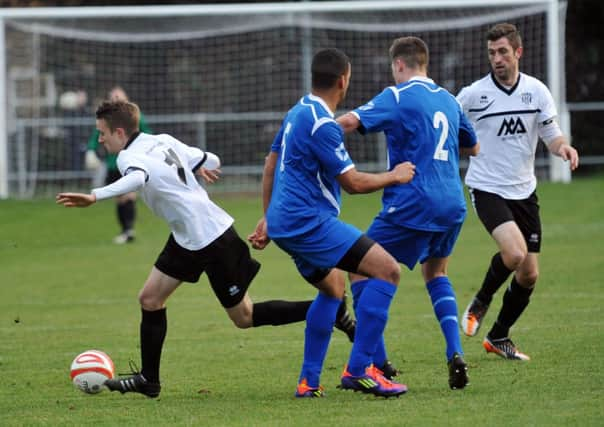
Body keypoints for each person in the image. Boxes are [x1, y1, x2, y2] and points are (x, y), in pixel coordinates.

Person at [56, 99, 356, 398]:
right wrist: (200, 168)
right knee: (150, 299)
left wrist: (94, 196)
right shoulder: (161, 139)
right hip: (188, 236)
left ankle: (330, 309)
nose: (100, 139)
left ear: (119, 132)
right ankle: (149, 380)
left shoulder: (126, 158)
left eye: (102, 133)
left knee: (244, 317)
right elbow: (210, 159)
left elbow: (138, 177)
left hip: (212, 240)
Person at [248, 48, 416, 398]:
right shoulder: (324, 125)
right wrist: (395, 176)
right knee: (388, 270)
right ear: (344, 80)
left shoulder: (298, 111)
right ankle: (359, 370)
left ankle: (309, 382)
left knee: (333, 289)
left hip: (285, 224)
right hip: (307, 225)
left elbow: (270, 164)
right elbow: (352, 183)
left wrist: (268, 216)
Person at [337, 36, 479, 390]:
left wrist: (311, 132)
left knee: (358, 267)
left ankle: (374, 360)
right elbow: (473, 145)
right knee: (437, 273)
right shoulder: (448, 99)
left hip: (413, 201)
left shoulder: (396, 96)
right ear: (424, 63)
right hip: (452, 202)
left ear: (399, 65)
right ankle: (455, 352)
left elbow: (350, 123)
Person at [456, 23, 579, 361]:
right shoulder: (472, 95)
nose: (496, 58)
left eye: (503, 52)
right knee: (514, 254)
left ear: (518, 53)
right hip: (487, 188)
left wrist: (563, 148)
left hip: (524, 191)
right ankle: (480, 301)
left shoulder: (536, 91)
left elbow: (550, 132)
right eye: (492, 53)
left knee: (529, 274)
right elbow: (448, 126)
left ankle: (498, 336)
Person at [85, 86, 151, 244]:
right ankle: (125, 230)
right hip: (113, 165)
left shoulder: (136, 118)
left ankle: (129, 230)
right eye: (113, 97)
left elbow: (147, 134)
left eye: (118, 97)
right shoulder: (107, 121)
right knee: (120, 198)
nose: (116, 99)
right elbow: (96, 136)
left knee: (129, 195)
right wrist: (91, 151)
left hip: (131, 164)